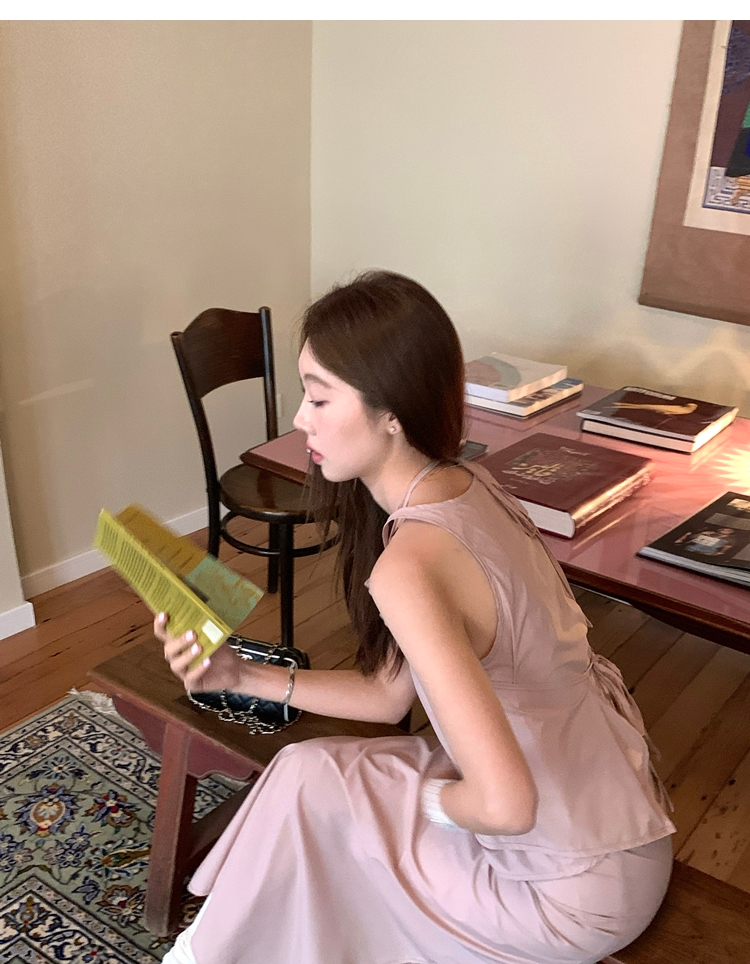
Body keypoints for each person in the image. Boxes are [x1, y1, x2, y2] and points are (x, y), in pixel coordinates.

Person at [157, 271, 675, 964]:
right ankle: (215, 946)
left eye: (319, 397)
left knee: (324, 830)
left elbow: (504, 806)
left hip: (561, 889)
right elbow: (387, 696)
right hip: (607, 819)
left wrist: (425, 807)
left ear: (392, 412)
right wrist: (238, 676)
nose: (301, 420)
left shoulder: (410, 567)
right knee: (305, 772)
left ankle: (208, 951)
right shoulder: (468, 482)